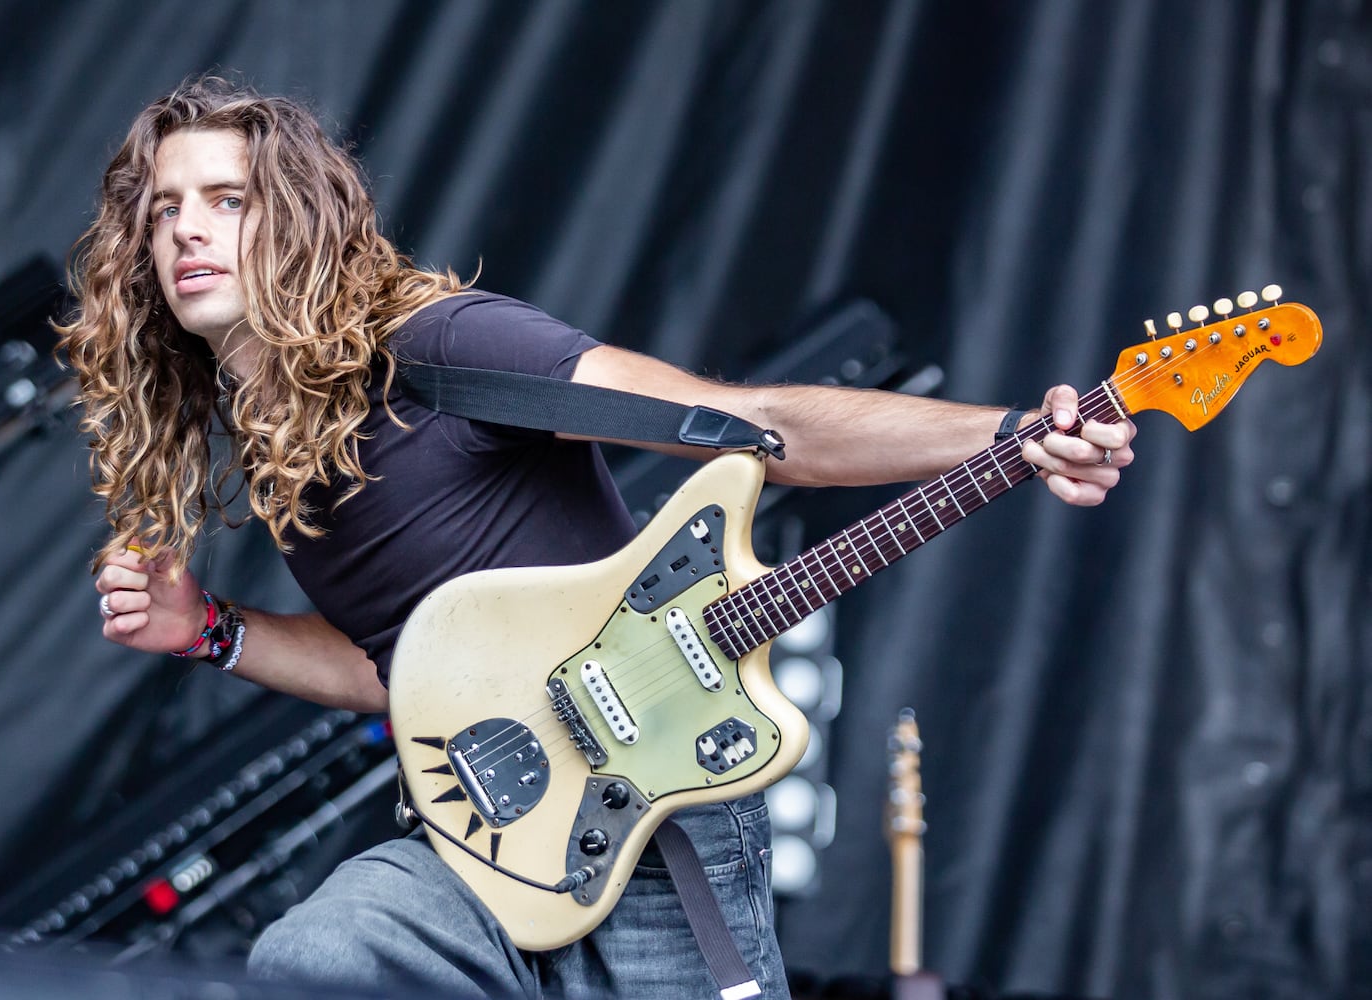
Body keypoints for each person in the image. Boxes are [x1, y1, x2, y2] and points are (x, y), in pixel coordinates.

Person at [58, 77, 1134, 999]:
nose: (186, 230)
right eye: (163, 211)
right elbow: (407, 671)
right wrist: (208, 628)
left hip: (655, 818)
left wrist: (1010, 433)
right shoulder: (279, 431)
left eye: (226, 200)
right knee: (325, 954)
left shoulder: (443, 349)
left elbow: (759, 428)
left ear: (296, 217)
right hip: (486, 837)